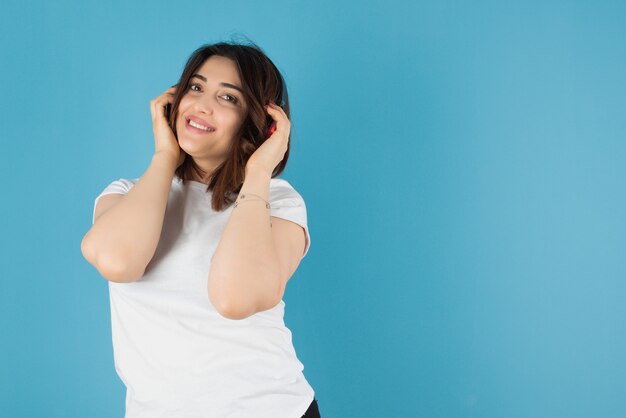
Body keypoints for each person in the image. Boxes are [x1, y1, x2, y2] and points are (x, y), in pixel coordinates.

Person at [81, 41, 321, 418]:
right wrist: (164, 156)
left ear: (258, 123)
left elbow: (236, 299)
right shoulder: (127, 193)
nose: (202, 105)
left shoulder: (277, 201)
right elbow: (117, 261)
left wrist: (258, 172)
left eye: (228, 98)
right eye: (195, 87)